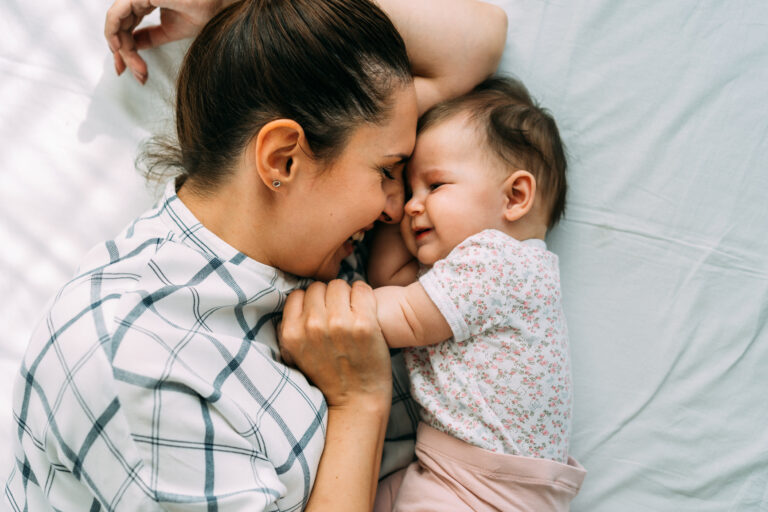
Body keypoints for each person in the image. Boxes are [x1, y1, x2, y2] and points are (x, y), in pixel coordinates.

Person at [5, 0, 507, 510]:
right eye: (386, 171)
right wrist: (359, 402)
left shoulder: (310, 242)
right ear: (282, 159)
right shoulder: (140, 358)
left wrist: (254, 11)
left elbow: (480, 41)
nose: (395, 207)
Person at [368, 77, 586, 511]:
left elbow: (401, 316)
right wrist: (413, 198)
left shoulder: (497, 261)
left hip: (485, 488)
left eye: (435, 185)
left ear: (515, 196)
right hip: (464, 475)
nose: (411, 205)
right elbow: (388, 278)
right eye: (410, 190)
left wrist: (323, 305)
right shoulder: (473, 270)